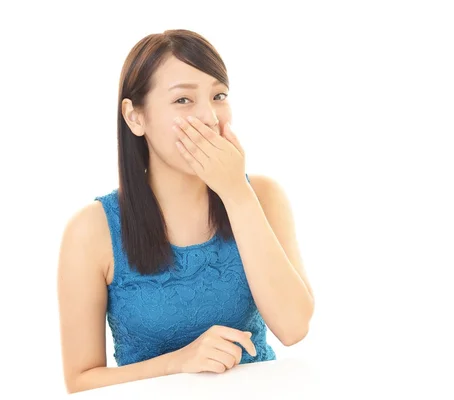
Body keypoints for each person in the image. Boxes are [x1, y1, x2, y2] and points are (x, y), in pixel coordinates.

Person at [56, 29, 314, 394]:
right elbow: (81, 381)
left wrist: (236, 194)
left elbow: (294, 328)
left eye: (218, 96)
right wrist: (177, 363)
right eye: (183, 100)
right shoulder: (91, 231)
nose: (209, 117)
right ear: (135, 117)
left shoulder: (263, 197)